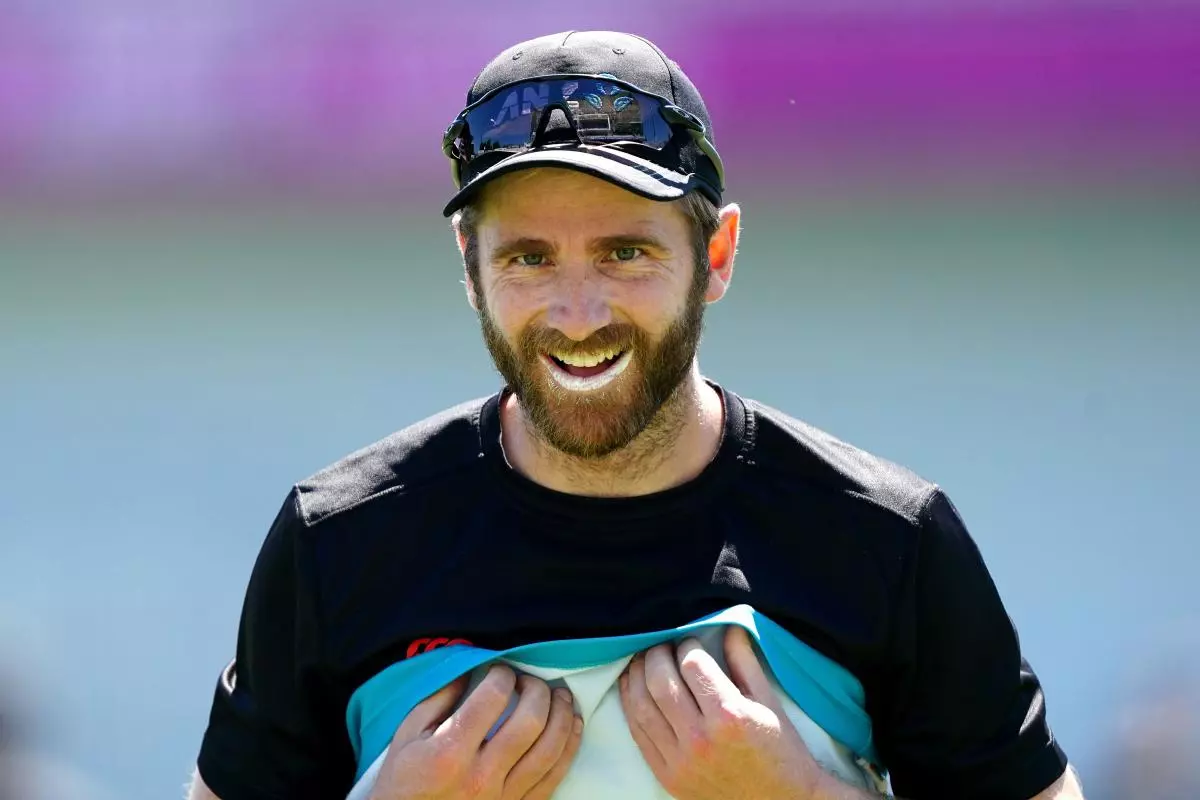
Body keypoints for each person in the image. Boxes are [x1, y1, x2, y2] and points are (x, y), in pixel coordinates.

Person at [188, 30, 1085, 800]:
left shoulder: (886, 543)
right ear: (469, 265)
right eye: (530, 259)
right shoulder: (338, 542)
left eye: (626, 252)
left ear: (718, 253)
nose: (578, 314)